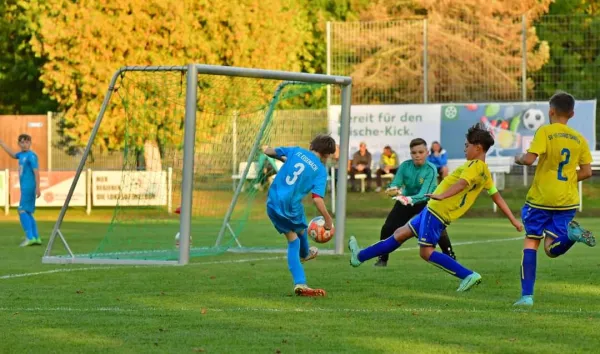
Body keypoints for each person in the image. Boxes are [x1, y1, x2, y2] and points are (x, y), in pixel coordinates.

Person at [348, 123, 523, 292]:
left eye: (467, 145)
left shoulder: (474, 166)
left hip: (437, 212)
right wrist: (514, 220)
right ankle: (359, 256)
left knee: (426, 252)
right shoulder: (484, 171)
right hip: (431, 210)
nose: (464, 149)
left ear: (477, 147)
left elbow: (462, 184)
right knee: (399, 234)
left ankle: (468, 275)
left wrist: (442, 195)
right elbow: (496, 196)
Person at [513, 92, 595, 306]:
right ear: (572, 113)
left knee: (532, 242)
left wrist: (519, 158)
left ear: (550, 111)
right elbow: (587, 172)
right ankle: (571, 236)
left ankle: (527, 296)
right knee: (551, 249)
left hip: (541, 199)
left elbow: (530, 159)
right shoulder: (580, 139)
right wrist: (567, 179)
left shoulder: (545, 132)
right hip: (567, 200)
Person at [263, 133, 336, 297]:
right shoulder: (320, 171)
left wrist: (265, 148)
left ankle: (305, 254)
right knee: (294, 241)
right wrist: (328, 219)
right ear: (326, 155)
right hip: (291, 206)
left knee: (299, 231)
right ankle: (300, 282)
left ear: (311, 146)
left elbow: (269, 152)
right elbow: (317, 200)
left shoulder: (296, 151)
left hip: (272, 201)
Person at [375, 138, 456, 267]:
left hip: (425, 201)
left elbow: (424, 194)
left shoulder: (431, 169)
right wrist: (393, 189)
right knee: (388, 228)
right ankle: (382, 259)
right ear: (410, 153)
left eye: (420, 152)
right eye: (414, 152)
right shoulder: (405, 166)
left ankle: (450, 256)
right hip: (406, 201)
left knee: (438, 229)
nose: (417, 155)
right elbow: (396, 182)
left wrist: (408, 199)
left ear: (427, 152)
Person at [0, 134, 42, 246]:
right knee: (28, 212)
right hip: (25, 187)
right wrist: (2, 143)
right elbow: (13, 155)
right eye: (22, 142)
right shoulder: (22, 155)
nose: (25, 144)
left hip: (29, 187)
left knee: (21, 210)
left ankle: (29, 237)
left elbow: (36, 172)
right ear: (19, 144)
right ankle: (36, 237)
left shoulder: (31, 156)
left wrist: (38, 187)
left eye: (27, 142)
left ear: (30, 143)